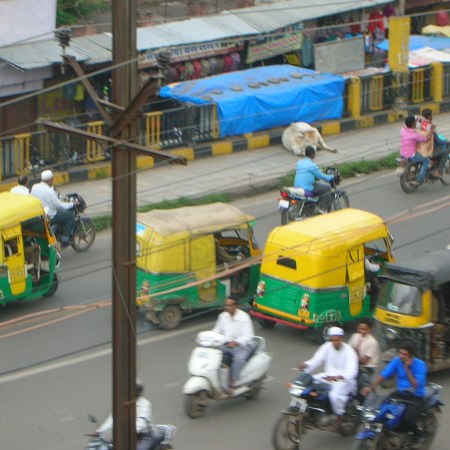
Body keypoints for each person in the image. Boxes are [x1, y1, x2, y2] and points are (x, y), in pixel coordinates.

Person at [363, 342, 427, 448]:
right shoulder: (397, 361)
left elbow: (415, 384)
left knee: (408, 418)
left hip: (416, 396)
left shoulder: (420, 365)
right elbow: (384, 375)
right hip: (401, 393)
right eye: (400, 353)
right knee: (381, 409)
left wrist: (407, 369)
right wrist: (371, 387)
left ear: (411, 355)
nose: (401, 356)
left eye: (405, 354)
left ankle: (419, 436)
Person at [298, 326, 359, 431]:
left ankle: (338, 417)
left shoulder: (349, 352)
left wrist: (339, 377)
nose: (335, 343)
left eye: (337, 340)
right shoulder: (327, 346)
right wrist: (306, 365)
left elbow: (352, 370)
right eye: (333, 340)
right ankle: (309, 412)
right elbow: (317, 359)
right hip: (327, 376)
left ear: (341, 338)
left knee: (334, 395)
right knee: (309, 385)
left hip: (344, 381)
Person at [212, 297, 255, 394]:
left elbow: (248, 335)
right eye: (226, 305)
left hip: (241, 346)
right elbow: (216, 330)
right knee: (214, 354)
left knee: (239, 359)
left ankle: (233, 381)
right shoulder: (223, 316)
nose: (226, 307)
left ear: (236, 306)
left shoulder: (244, 317)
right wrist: (212, 337)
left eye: (229, 305)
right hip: (226, 344)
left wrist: (237, 342)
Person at [30, 170, 77, 247]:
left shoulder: (34, 187)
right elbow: (61, 206)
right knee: (70, 216)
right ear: (50, 180)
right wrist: (72, 203)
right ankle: (65, 240)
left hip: (38, 215)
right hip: (49, 216)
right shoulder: (49, 191)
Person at [294, 145, 335, 213]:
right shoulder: (312, 165)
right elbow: (321, 176)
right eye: (314, 153)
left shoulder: (299, 163)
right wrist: (332, 176)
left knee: (317, 185)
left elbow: (306, 173)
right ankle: (323, 209)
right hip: (306, 187)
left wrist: (317, 171)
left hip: (297, 186)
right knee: (327, 189)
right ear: (312, 154)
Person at [400, 116, 433, 186]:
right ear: (413, 124)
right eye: (415, 122)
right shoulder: (414, 135)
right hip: (411, 155)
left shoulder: (402, 130)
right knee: (426, 161)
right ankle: (419, 179)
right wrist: (432, 130)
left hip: (402, 154)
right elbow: (426, 138)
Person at [419, 109, 449, 178]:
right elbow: (438, 141)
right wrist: (447, 142)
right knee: (446, 152)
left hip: (420, 148)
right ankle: (437, 171)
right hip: (428, 150)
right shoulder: (430, 126)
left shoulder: (420, 124)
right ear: (430, 116)